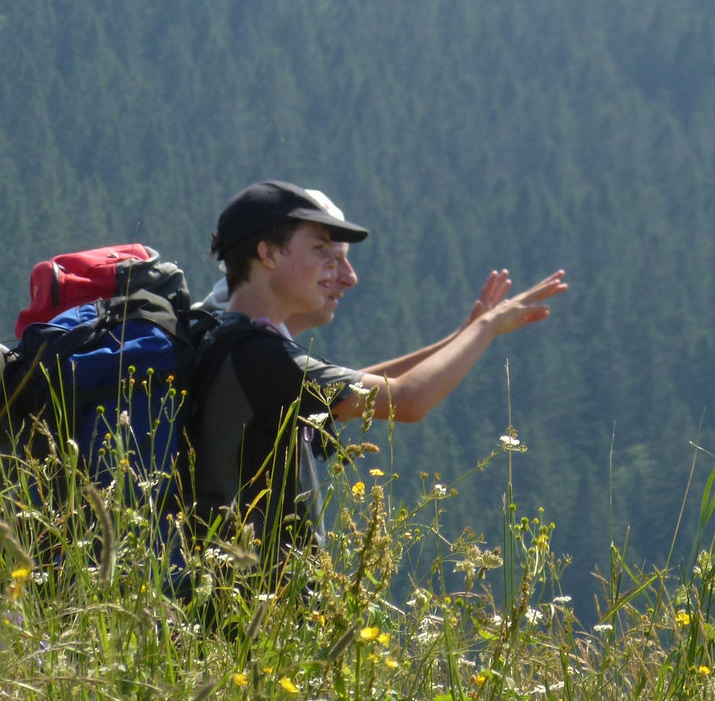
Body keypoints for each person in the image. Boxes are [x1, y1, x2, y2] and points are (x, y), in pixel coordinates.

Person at [187, 180, 567, 559]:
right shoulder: (260, 357)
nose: (339, 270)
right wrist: (488, 328)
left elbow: (366, 386)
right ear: (267, 253)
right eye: (320, 249)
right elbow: (408, 399)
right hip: (248, 599)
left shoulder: (228, 337)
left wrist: (461, 337)